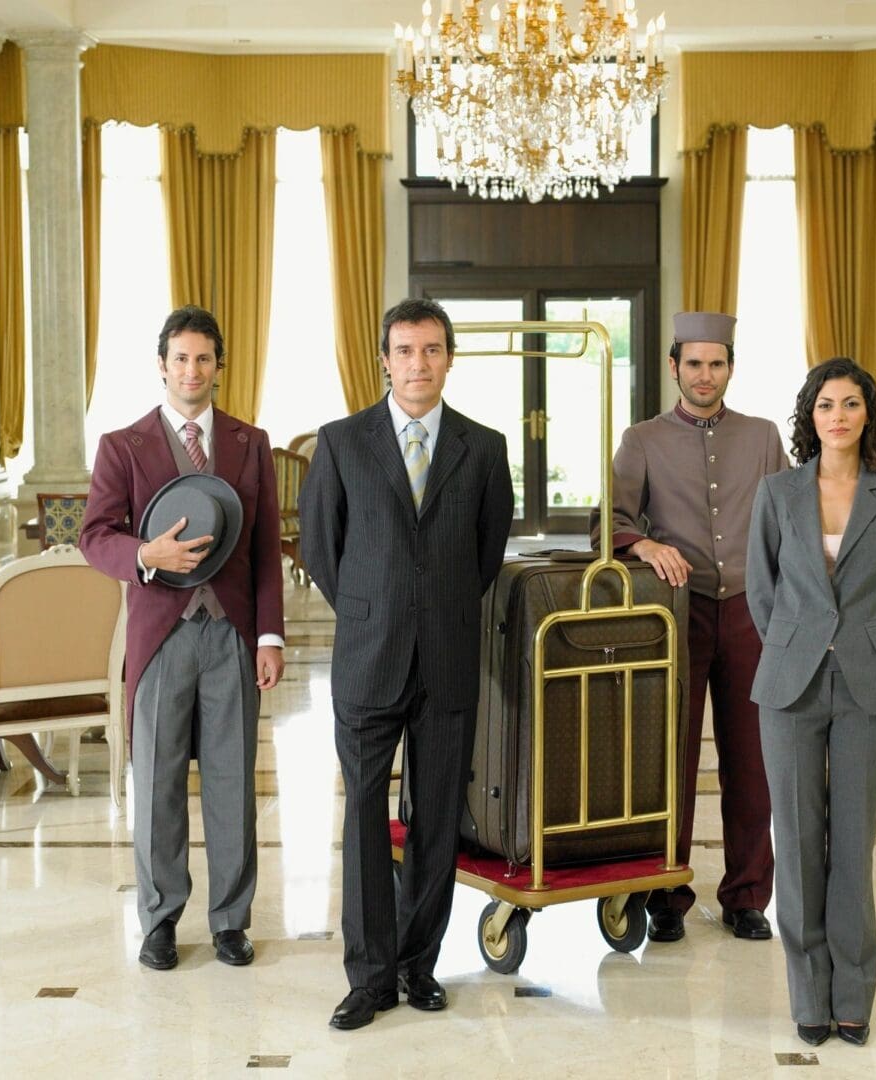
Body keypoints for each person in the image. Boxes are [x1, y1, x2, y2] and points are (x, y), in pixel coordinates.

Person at [300, 297, 514, 1031]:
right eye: (404, 350)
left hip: (448, 657)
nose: (417, 363)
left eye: (430, 350)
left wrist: (435, 608)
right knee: (364, 815)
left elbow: (485, 554)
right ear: (383, 360)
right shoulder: (340, 442)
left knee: (433, 823)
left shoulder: (482, 448)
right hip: (368, 656)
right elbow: (321, 550)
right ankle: (368, 978)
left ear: (448, 358)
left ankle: (417, 964)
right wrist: (374, 607)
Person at [81, 304, 285, 971]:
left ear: (218, 367)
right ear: (161, 365)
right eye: (180, 358)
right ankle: (160, 921)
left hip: (230, 632)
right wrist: (146, 554)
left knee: (232, 783)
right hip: (160, 635)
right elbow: (94, 536)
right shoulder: (122, 445)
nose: (191, 370)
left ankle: (230, 921)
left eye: (203, 359)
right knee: (159, 781)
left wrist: (270, 637)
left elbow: (261, 547)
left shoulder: (250, 443)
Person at [592, 310, 789, 944]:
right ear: (674, 366)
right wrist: (643, 545)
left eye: (718, 363)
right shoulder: (642, 439)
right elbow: (609, 520)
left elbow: (789, 522)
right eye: (695, 363)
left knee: (752, 759)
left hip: (752, 612)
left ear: (730, 367)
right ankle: (666, 890)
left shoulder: (762, 438)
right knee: (669, 758)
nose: (706, 375)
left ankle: (748, 895)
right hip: (675, 614)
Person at [746, 357, 876, 1048]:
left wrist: (862, 642)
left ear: (867, 416)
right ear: (809, 416)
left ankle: (853, 997)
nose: (838, 416)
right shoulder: (775, 493)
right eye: (826, 405)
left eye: (851, 404)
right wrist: (798, 642)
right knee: (793, 842)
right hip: (788, 682)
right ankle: (807, 999)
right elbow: (760, 590)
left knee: (851, 844)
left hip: (864, 682)